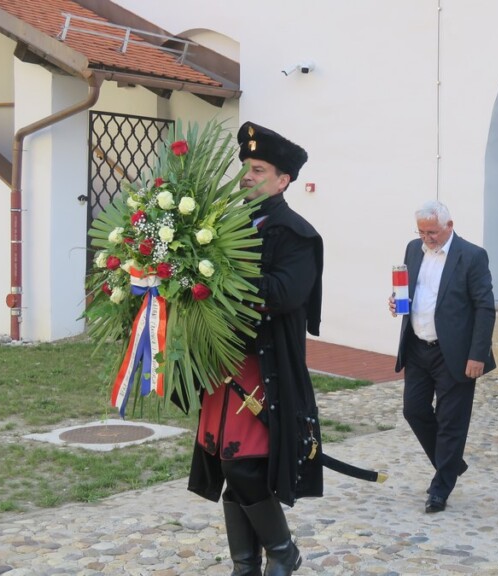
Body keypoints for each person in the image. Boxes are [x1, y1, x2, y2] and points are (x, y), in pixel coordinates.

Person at [188, 121, 320, 575]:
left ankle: (282, 551)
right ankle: (245, 565)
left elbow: (284, 293)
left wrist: (216, 279)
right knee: (227, 465)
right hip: (222, 364)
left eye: (258, 169)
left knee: (245, 467)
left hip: (262, 369)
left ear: (283, 181)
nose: (247, 175)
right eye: (245, 167)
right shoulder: (223, 224)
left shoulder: (296, 234)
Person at [389, 200, 496, 513]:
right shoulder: (413, 249)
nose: (427, 238)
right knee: (413, 410)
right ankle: (451, 463)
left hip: (456, 353)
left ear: (449, 226)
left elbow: (484, 307)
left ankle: (440, 488)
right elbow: (410, 290)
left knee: (452, 422)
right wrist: (397, 302)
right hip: (417, 346)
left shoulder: (472, 256)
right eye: (422, 232)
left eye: (433, 231)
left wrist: (477, 354)